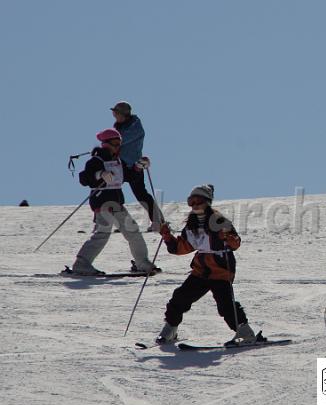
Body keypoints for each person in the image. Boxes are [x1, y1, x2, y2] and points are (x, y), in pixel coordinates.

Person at [156, 184, 259, 346]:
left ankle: (245, 332)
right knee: (180, 297)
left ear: (207, 202)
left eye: (198, 201)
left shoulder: (219, 220)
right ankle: (171, 329)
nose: (195, 205)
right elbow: (182, 247)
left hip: (221, 270)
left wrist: (227, 237)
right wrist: (168, 237)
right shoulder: (192, 224)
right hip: (201, 271)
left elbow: (235, 244)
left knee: (225, 304)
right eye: (191, 201)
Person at [70, 128, 157, 275]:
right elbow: (84, 178)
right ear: (105, 144)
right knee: (103, 234)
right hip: (102, 202)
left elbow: (129, 176)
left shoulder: (118, 161)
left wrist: (138, 167)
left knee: (132, 232)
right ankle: (81, 264)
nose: (118, 147)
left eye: (119, 144)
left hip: (116, 203)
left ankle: (142, 262)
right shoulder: (96, 161)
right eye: (115, 143)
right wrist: (100, 174)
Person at [110, 101, 163, 230]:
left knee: (141, 194)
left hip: (133, 166)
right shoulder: (119, 126)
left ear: (123, 114)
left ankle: (158, 221)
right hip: (121, 164)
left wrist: (110, 143)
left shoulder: (135, 127)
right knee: (114, 192)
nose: (114, 115)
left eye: (116, 113)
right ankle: (122, 222)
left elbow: (120, 141)